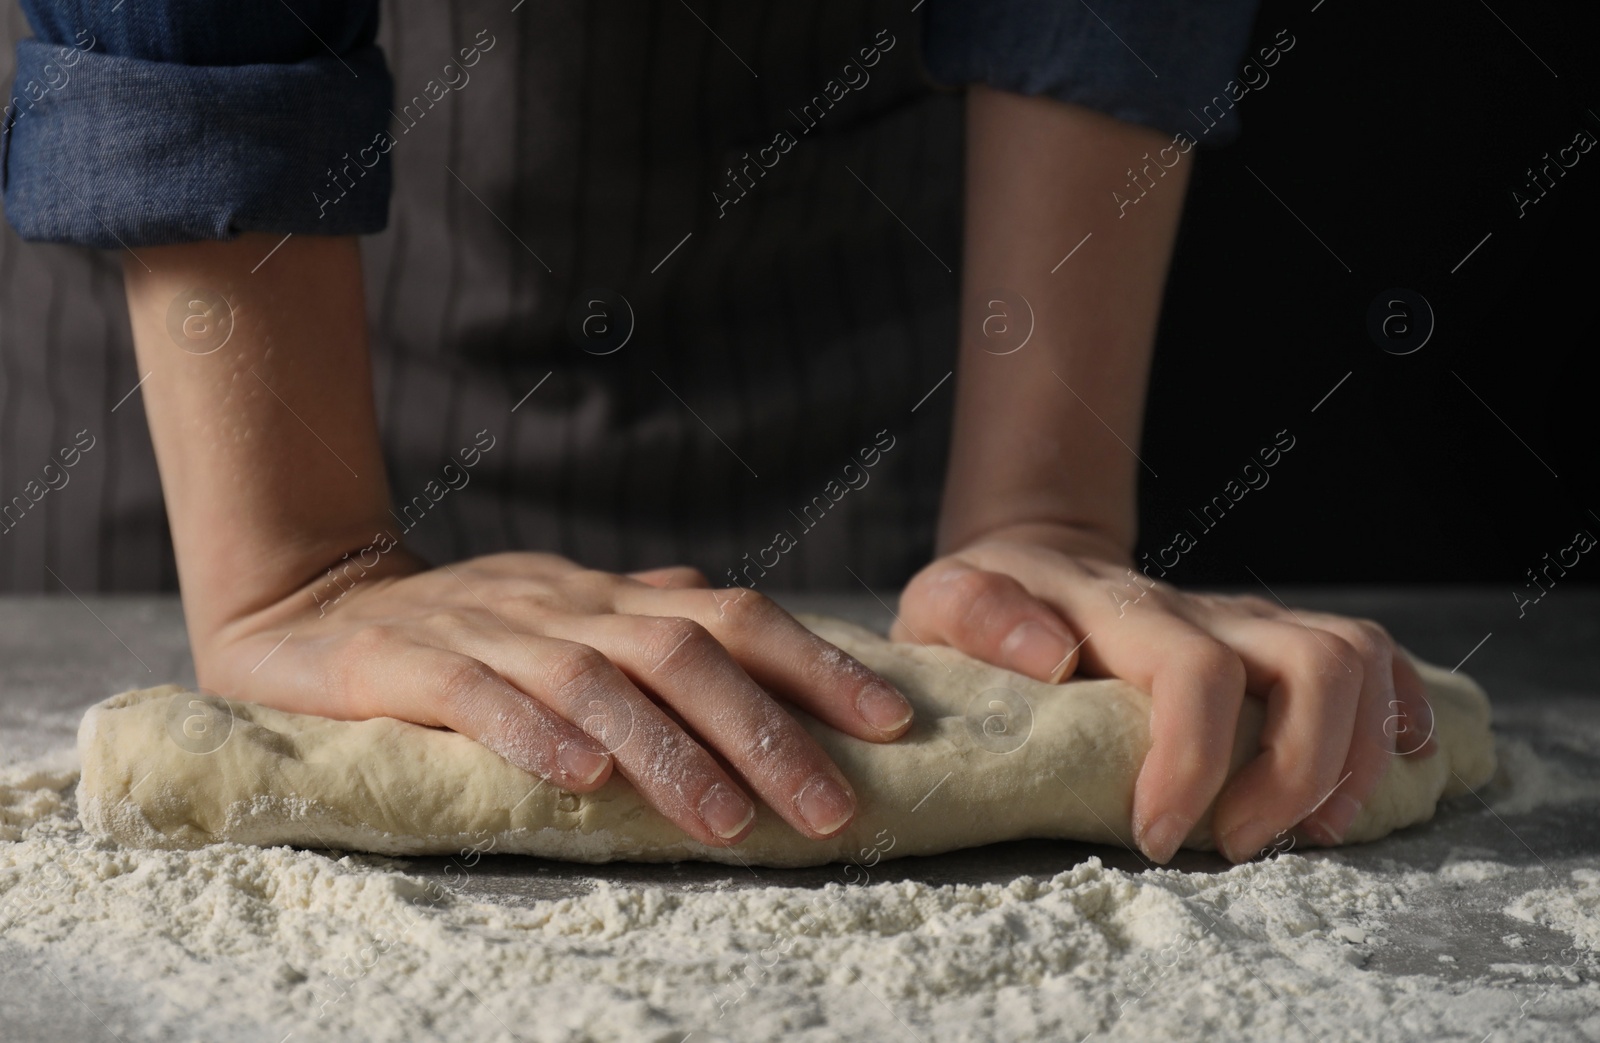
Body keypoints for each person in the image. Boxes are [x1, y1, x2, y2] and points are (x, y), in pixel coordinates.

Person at [2, 0, 1434, 865]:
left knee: (904, 735)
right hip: (222, 325)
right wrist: (292, 557)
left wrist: (1041, 513)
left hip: (856, 317)